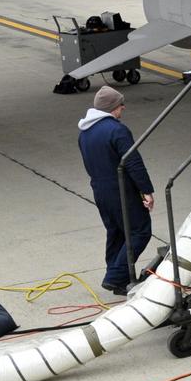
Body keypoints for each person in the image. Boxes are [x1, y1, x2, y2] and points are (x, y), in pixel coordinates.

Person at [78, 85, 155, 296]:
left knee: (116, 232)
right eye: (121, 106)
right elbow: (133, 163)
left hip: (99, 190)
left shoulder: (84, 132)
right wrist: (146, 190)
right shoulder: (117, 130)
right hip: (120, 190)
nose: (122, 110)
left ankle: (115, 275)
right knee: (140, 230)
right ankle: (116, 276)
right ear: (112, 107)